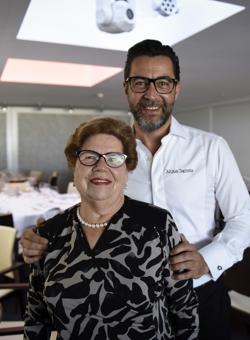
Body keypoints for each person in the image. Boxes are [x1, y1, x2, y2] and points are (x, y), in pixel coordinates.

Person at [21, 39, 250, 339]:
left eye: (163, 83)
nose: (151, 94)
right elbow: (93, 207)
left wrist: (208, 259)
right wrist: (47, 237)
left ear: (176, 89)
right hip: (126, 303)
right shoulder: (113, 153)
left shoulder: (211, 148)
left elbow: (243, 219)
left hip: (199, 294)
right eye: (141, 82)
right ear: (127, 88)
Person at [23, 117, 199, 339]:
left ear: (127, 170)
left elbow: (184, 308)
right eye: (89, 157)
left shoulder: (157, 225)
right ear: (74, 167)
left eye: (114, 158)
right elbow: (36, 317)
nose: (101, 167)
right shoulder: (49, 233)